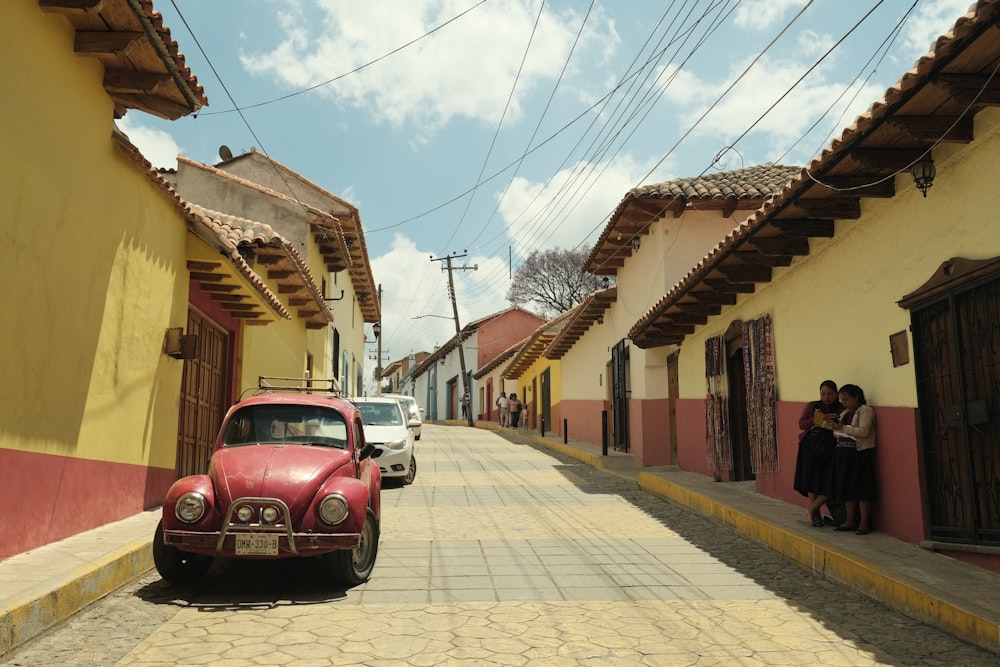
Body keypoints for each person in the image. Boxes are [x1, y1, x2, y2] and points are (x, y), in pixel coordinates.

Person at [828, 384, 877, 535]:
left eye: (847, 399)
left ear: (856, 398)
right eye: (842, 399)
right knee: (848, 488)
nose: (843, 402)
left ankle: (864, 522)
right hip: (843, 455)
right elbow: (838, 432)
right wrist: (836, 428)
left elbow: (863, 431)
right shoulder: (845, 413)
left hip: (859, 453)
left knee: (862, 488)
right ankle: (849, 520)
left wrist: (843, 429)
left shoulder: (865, 411)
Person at [793, 380, 843, 527]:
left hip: (829, 449)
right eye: (823, 394)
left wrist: (833, 420)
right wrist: (814, 419)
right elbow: (801, 424)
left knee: (828, 481)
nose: (826, 397)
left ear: (836, 394)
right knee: (811, 480)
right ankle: (816, 516)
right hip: (810, 447)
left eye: (830, 394)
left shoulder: (841, 408)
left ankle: (811, 510)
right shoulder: (813, 406)